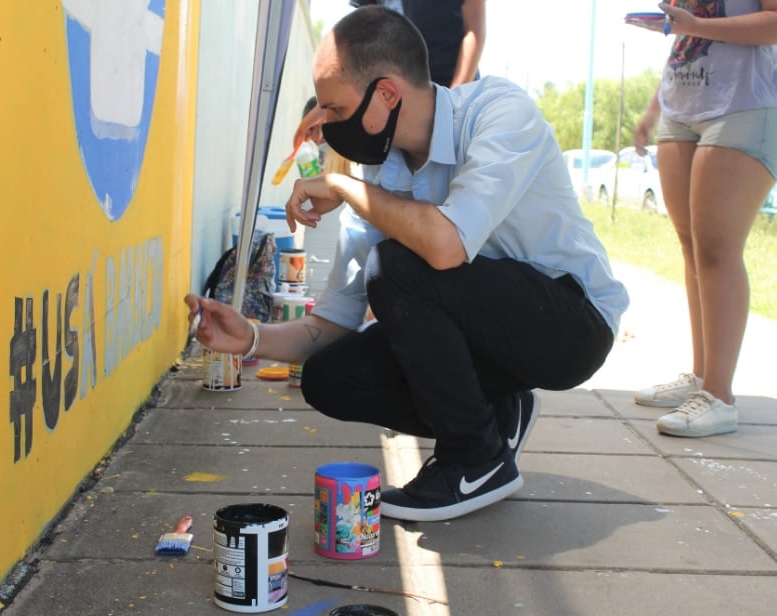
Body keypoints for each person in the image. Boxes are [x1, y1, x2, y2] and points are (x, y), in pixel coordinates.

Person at [187, 6, 628, 522]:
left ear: (387, 94)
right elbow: (333, 321)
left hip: (570, 327)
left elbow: (445, 246)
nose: (325, 127)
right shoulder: (382, 171)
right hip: (491, 335)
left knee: (398, 263)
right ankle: (495, 411)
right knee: (329, 377)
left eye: (333, 109)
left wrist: (344, 186)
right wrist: (253, 339)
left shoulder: (498, 113)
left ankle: (475, 460)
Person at [631, 1, 777, 438]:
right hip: (682, 103)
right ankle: (699, 378)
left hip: (744, 106)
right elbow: (688, 37)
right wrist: (652, 110)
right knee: (690, 243)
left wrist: (696, 23)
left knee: (716, 249)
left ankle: (719, 396)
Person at [348, 0, 486, 88]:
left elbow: (474, 33)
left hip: (451, 85)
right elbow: (365, 31)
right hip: (394, 93)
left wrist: (456, 96)